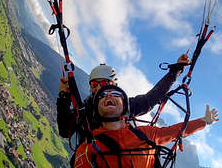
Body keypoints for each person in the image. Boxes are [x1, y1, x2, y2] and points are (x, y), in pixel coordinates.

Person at [57, 55, 190, 147]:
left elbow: (151, 99)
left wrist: (176, 70)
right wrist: (64, 98)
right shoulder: (85, 107)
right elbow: (65, 131)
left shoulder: (123, 106)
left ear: (113, 85)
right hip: (89, 158)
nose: (97, 88)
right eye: (93, 85)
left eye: (102, 83)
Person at [74, 85, 219, 168]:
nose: (108, 96)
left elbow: (175, 132)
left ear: (124, 106)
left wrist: (204, 121)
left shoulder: (147, 134)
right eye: (102, 95)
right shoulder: (87, 149)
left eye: (115, 94)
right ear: (96, 109)